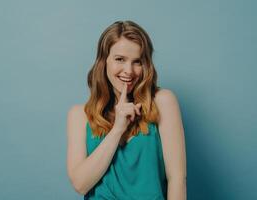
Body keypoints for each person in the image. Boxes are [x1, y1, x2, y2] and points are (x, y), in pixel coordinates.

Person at [66, 20, 187, 200]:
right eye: (120, 59)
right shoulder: (79, 115)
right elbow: (80, 184)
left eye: (137, 61)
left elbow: (177, 179)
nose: (129, 71)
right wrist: (117, 129)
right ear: (103, 61)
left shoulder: (163, 102)